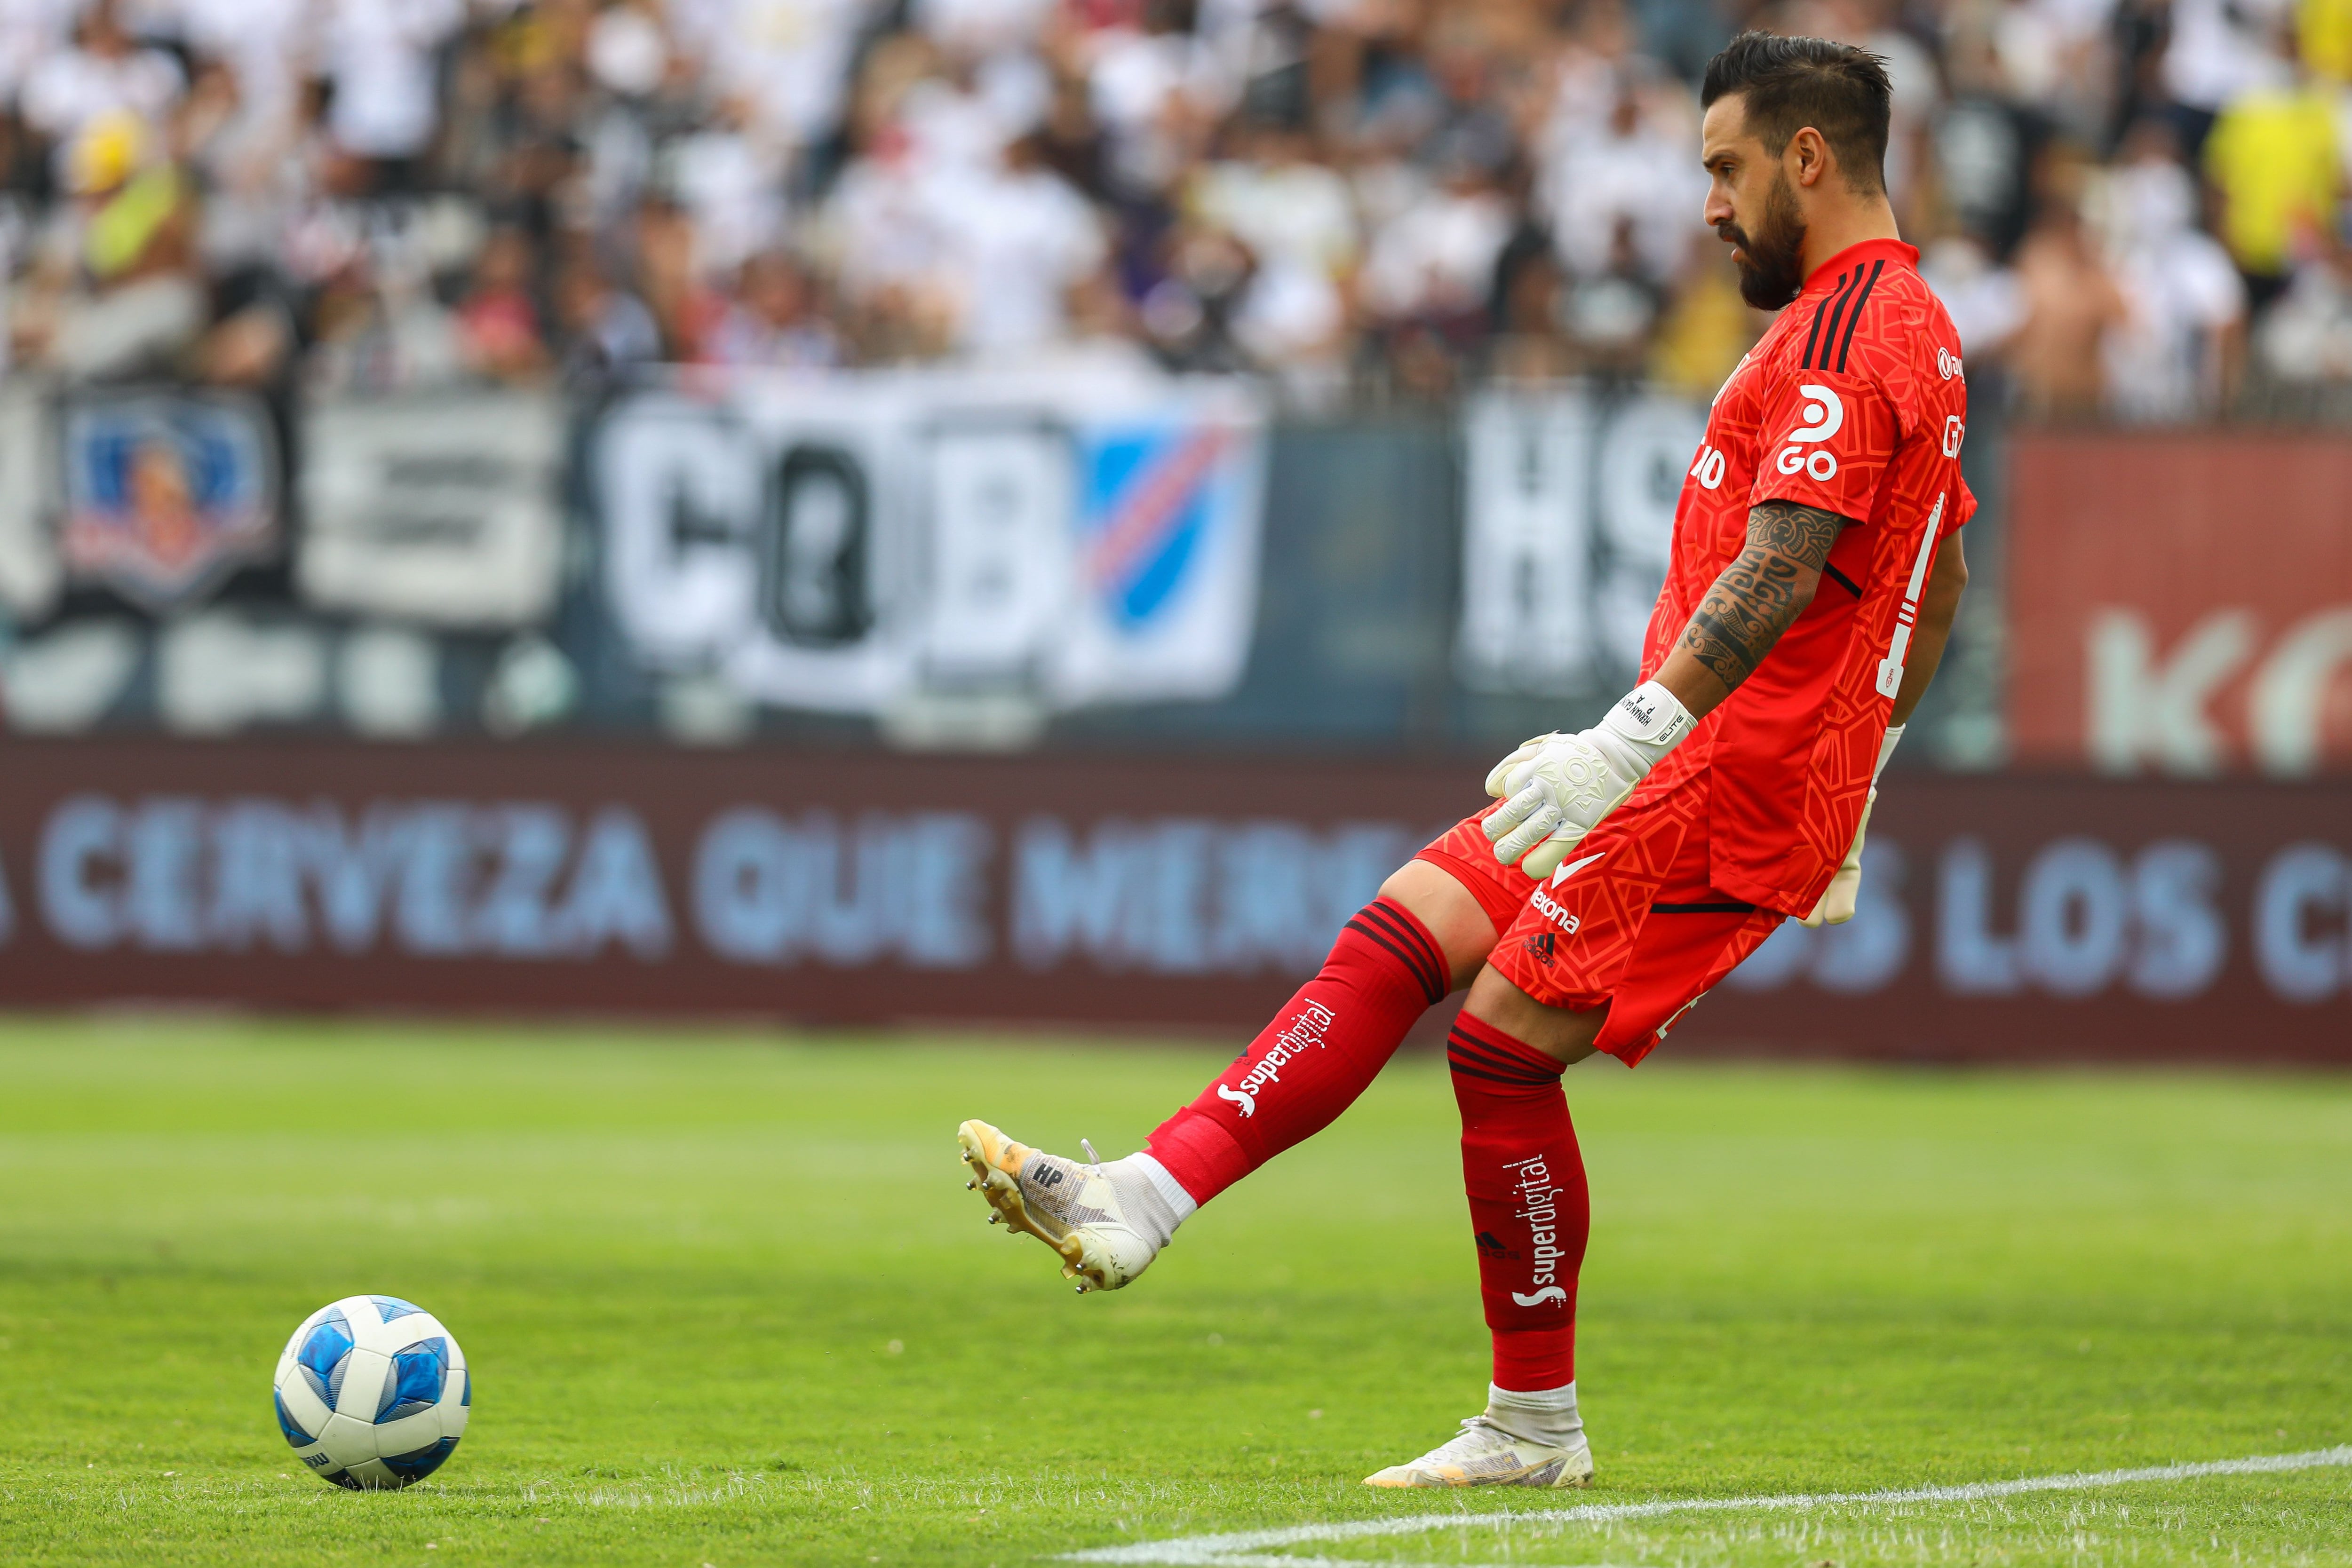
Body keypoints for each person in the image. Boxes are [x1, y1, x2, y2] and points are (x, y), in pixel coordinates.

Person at [958, 31, 1974, 1491]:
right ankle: (1145, 1192)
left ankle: (1532, 1429)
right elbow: (1931, 584)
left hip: (1719, 772)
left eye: (1727, 168)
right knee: (1401, 929)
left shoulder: (1846, 329)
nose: (1710, 204)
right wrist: (1863, 767)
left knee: (1500, 1047)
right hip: (1736, 759)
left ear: (1808, 158)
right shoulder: (1919, 329)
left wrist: (1639, 744)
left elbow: (1783, 560)